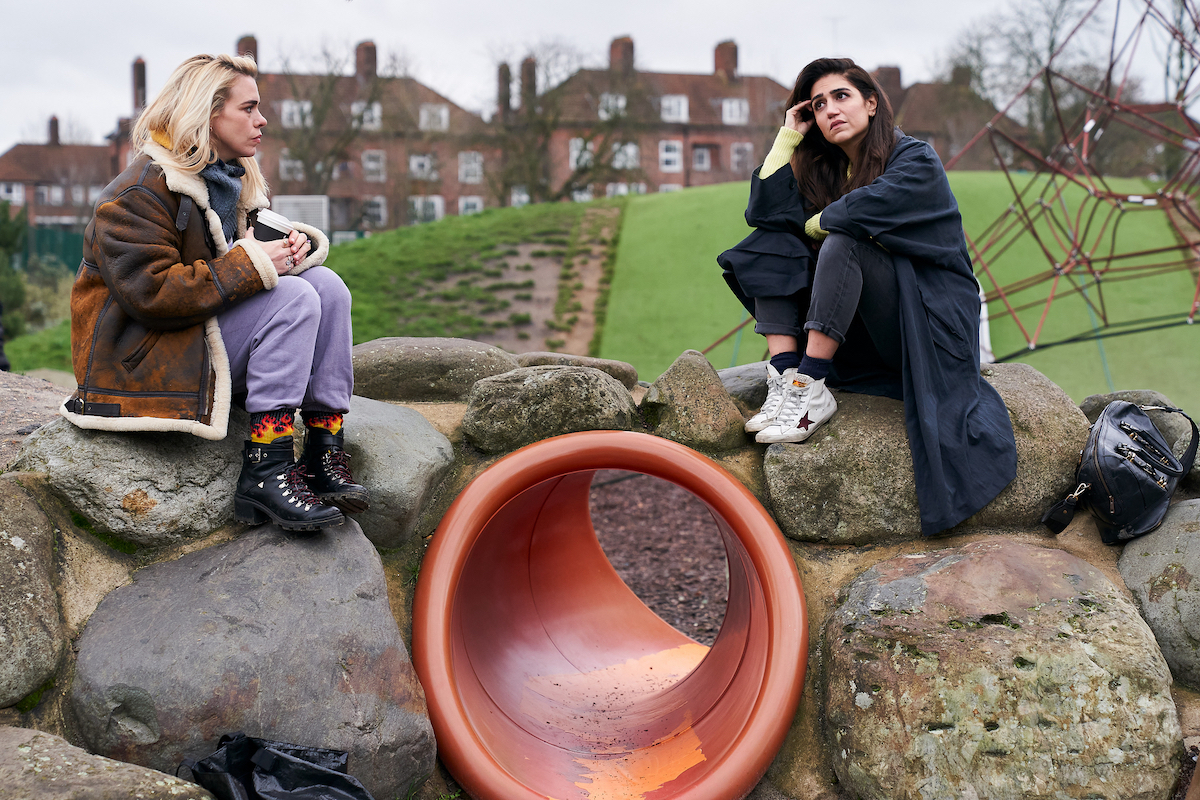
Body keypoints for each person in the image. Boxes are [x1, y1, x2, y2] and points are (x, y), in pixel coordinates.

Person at [62, 53, 368, 532]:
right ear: (207, 112)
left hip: (196, 338)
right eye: (248, 108)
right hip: (138, 362)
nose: (261, 119)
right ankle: (265, 471)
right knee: (296, 300)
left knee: (326, 287)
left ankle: (323, 451)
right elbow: (152, 295)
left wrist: (287, 254)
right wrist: (253, 264)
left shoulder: (230, 180)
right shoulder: (137, 193)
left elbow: (236, 265)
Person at [718, 57, 1017, 536]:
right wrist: (787, 137)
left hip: (925, 325)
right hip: (863, 333)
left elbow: (854, 214)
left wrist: (812, 224)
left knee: (843, 238)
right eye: (818, 105)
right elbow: (766, 214)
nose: (830, 110)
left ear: (871, 102)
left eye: (842, 96)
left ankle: (811, 385)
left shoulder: (914, 158)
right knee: (771, 240)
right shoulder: (828, 170)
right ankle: (785, 375)